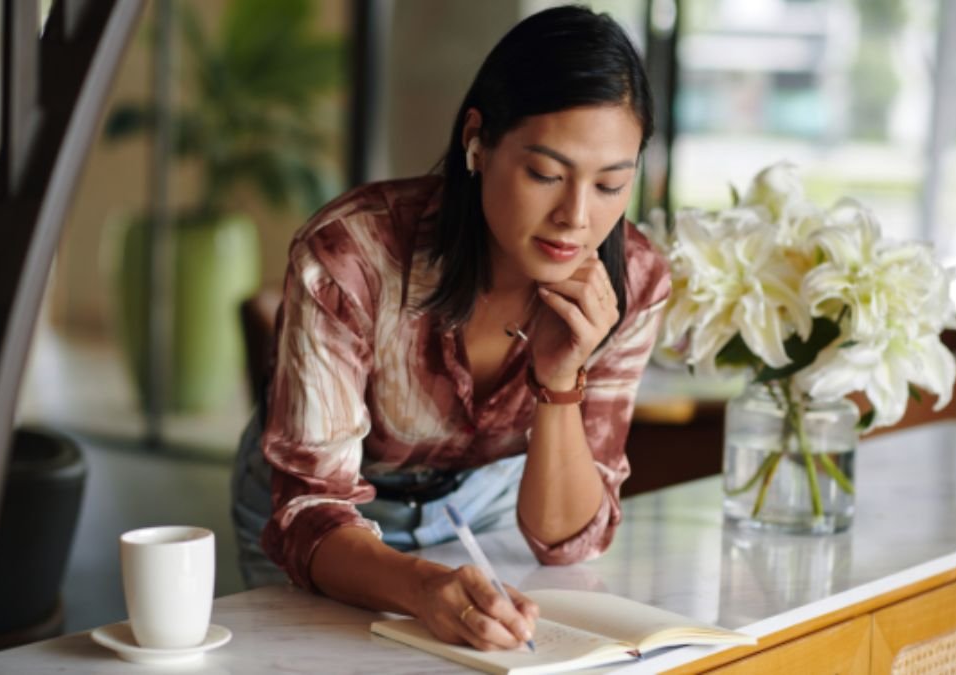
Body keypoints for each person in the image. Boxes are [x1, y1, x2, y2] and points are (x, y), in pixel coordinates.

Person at [232, 5, 670, 652]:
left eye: (610, 184)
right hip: (329, 519)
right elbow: (308, 514)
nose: (576, 217)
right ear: (477, 140)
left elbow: (567, 540)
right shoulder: (353, 256)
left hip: (486, 508)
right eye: (546, 174)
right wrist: (421, 587)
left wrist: (560, 379)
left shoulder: (633, 278)